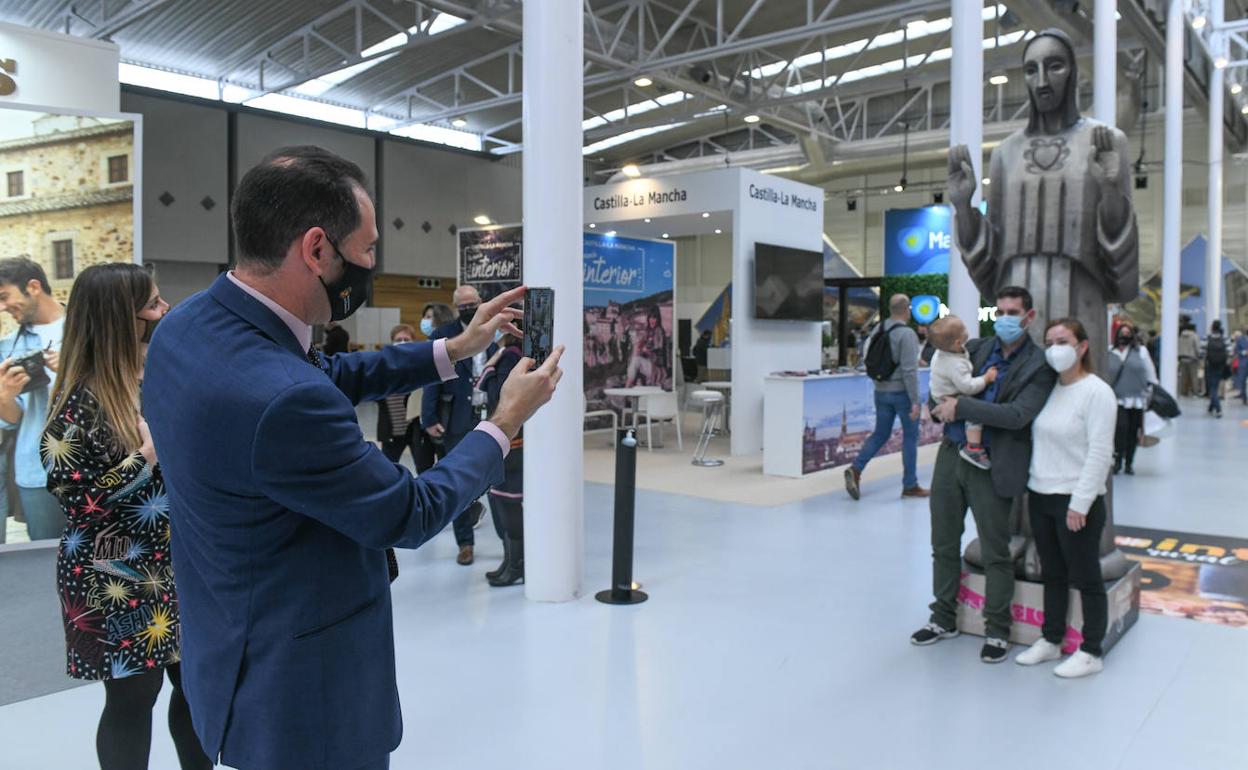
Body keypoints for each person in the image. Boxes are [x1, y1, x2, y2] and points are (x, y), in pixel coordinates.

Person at [142, 146, 564, 770]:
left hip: (226, 640)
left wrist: (452, 348)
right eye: (367, 251)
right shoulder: (280, 399)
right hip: (303, 694)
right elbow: (412, 511)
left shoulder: (189, 328)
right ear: (317, 250)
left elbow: (325, 371)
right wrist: (505, 421)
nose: (370, 265)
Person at [40, 264, 211, 769]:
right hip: (112, 570)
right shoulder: (77, 404)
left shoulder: (155, 377)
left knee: (196, 685)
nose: (165, 313)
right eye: (154, 305)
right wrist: (145, 459)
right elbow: (77, 503)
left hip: (175, 560)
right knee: (134, 696)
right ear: (123, 319)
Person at [920, 286, 1057, 663]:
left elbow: (1017, 416)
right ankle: (942, 618)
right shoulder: (975, 349)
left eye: (1013, 312)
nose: (1005, 319)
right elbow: (939, 390)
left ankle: (997, 629)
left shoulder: (1039, 364)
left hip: (994, 463)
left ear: (1029, 317)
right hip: (951, 456)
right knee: (943, 543)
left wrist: (961, 407)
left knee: (996, 551)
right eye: (999, 312)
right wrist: (937, 408)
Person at [1014, 318, 1117, 678]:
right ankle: (1051, 638)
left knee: (1086, 575)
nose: (1056, 348)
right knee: (1052, 573)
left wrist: (1080, 502)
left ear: (1082, 346)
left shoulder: (1097, 393)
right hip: (1040, 495)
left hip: (1075, 501)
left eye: (1064, 340)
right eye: (1050, 341)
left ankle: (1091, 650)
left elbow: (1100, 453)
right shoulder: (1048, 389)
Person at [421, 284, 497, 566]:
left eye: (472, 303)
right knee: (458, 483)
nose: (468, 308)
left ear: (481, 301)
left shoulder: (494, 331)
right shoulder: (443, 335)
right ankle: (465, 543)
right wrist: (429, 417)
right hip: (455, 417)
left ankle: (510, 544)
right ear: (456, 307)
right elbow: (431, 377)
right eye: (462, 305)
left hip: (490, 416)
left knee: (496, 480)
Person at [0, 257, 67, 541]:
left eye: (4, 296)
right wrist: (4, 396)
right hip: (37, 471)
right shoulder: (7, 347)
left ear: (34, 286)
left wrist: (71, 370)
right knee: (46, 560)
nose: (2, 307)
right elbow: (13, 420)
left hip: (95, 465)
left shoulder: (87, 330)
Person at [844, 294, 927, 500]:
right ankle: (910, 484)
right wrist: (915, 401)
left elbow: (867, 356)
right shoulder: (907, 334)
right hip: (902, 394)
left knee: (880, 434)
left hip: (880, 391)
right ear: (907, 309)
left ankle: (856, 469)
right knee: (910, 437)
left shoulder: (878, 328)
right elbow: (909, 371)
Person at [477, 331, 524, 587]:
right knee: (504, 501)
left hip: (511, 443)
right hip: (507, 441)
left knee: (508, 501)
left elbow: (497, 395)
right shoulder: (509, 356)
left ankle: (516, 564)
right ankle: (511, 560)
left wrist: (490, 367)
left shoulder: (509, 357)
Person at [926, 315, 999, 469]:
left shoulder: (945, 352)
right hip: (947, 396)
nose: (967, 328)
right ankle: (973, 447)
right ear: (958, 342)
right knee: (974, 413)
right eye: (963, 328)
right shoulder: (954, 364)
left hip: (939, 391)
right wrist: (986, 379)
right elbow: (968, 387)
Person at [1106, 322, 1157, 475]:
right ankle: (1118, 460)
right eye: (1122, 333)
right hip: (1117, 399)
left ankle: (1129, 462)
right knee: (1120, 430)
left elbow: (1150, 373)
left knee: (1133, 432)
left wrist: (1152, 391)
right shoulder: (1110, 351)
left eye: (1128, 333)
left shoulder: (1141, 352)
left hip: (1136, 400)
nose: (1125, 336)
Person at [376, 323, 420, 464]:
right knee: (387, 468)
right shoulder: (383, 365)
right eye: (398, 339)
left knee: (423, 467)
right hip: (391, 429)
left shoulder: (420, 365)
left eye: (406, 340)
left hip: (415, 429)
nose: (402, 343)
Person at [1202, 320, 1232, 417]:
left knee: (1212, 388)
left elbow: (1201, 352)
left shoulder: (1207, 337)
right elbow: (1230, 352)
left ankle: (1218, 409)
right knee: (1215, 385)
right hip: (1221, 365)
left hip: (1210, 365)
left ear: (1212, 327)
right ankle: (1211, 407)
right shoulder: (1225, 338)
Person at [1177, 322, 1201, 397]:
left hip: (1182, 358)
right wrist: (1199, 356)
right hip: (1192, 358)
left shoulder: (1181, 336)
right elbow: (1197, 348)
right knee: (1194, 377)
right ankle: (1195, 392)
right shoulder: (1194, 336)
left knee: (1183, 377)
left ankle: (1183, 392)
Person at [1233, 327, 1248, 405]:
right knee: (1242, 382)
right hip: (1243, 363)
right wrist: (1244, 352)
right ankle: (1245, 399)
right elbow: (1236, 351)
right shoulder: (1240, 339)